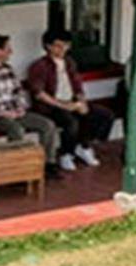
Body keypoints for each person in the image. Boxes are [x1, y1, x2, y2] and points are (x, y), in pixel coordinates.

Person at [0, 34, 62, 163]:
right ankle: (17, 167)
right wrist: (4, 113)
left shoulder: (8, 70)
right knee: (16, 129)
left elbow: (18, 92)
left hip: (16, 112)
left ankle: (48, 163)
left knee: (48, 125)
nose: (11, 52)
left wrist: (20, 108)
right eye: (8, 49)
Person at [26, 32, 112, 171]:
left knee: (104, 114)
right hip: (50, 107)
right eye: (58, 46)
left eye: (66, 46)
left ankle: (83, 146)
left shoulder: (69, 62)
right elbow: (39, 94)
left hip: (71, 101)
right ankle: (66, 154)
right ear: (48, 46)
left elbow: (77, 85)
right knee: (71, 121)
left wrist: (82, 102)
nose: (63, 49)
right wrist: (65, 106)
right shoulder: (40, 66)